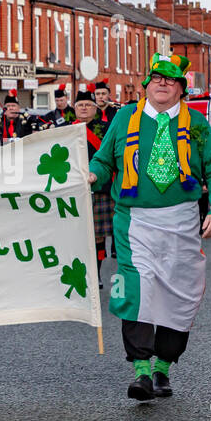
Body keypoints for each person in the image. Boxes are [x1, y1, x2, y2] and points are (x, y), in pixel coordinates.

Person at [88, 53, 211, 400]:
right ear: (146, 85)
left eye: (172, 80)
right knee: (136, 289)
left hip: (181, 222)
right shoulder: (123, 118)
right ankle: (141, 371)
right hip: (134, 222)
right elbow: (104, 160)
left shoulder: (196, 123)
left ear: (181, 89)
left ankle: (163, 366)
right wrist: (92, 174)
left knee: (177, 295)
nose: (163, 83)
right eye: (157, 78)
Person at [74, 89, 113, 284]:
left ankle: (96, 274)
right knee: (77, 236)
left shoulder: (106, 129)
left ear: (95, 108)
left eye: (88, 105)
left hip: (100, 187)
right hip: (74, 189)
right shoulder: (66, 129)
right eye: (80, 105)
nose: (84, 108)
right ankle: (82, 273)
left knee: (97, 235)